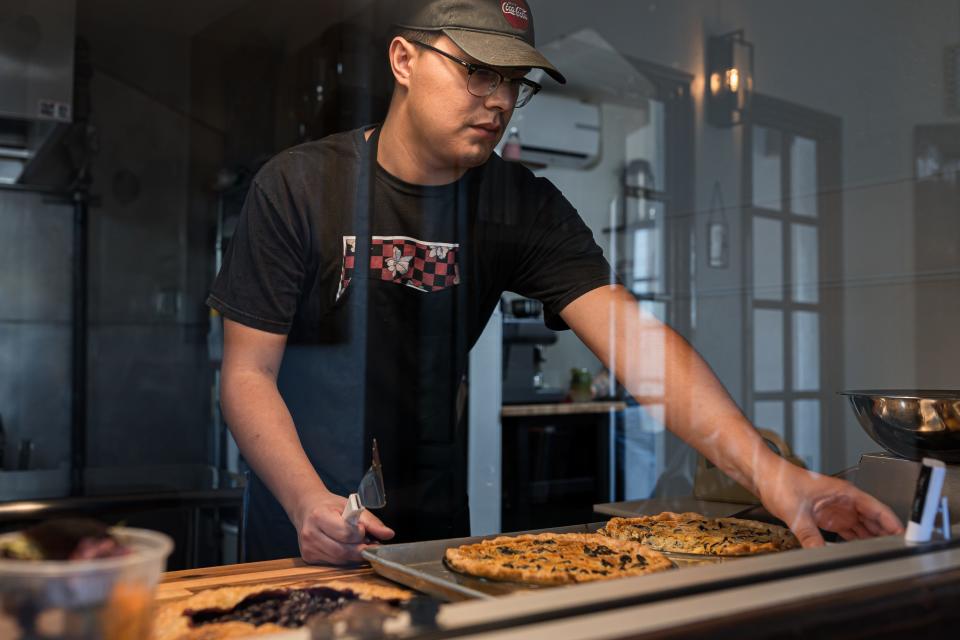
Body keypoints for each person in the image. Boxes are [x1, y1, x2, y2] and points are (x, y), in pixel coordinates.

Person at [208, 0, 903, 564]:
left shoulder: (519, 203)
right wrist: (306, 502)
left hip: (435, 530)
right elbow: (246, 375)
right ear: (403, 59)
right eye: (479, 70)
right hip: (301, 522)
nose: (500, 99)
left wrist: (772, 474)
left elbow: (638, 344)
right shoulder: (301, 186)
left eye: (514, 81)